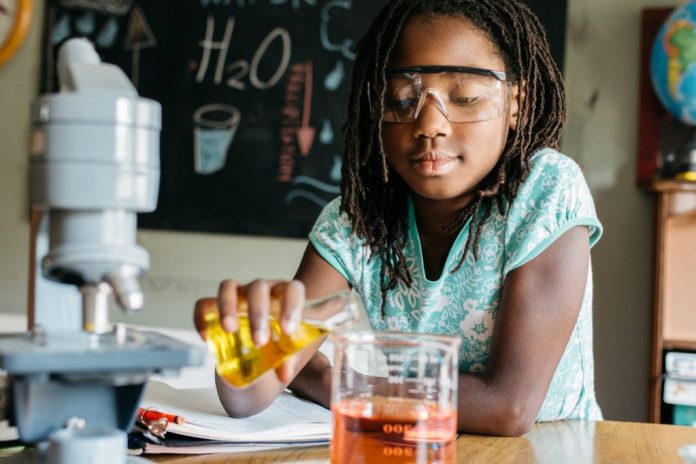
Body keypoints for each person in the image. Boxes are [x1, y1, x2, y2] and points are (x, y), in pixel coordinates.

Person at [194, 0, 603, 437]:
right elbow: (248, 395)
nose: (429, 124)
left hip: (551, 449)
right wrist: (244, 350)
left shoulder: (546, 191)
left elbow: (508, 407)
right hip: (409, 446)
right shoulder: (357, 222)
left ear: (516, 104)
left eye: (464, 97)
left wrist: (336, 383)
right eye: (402, 99)